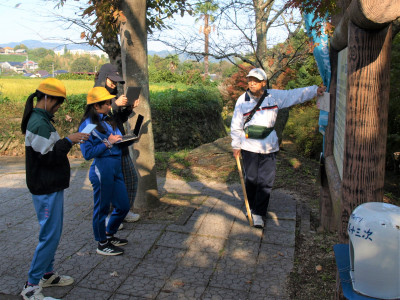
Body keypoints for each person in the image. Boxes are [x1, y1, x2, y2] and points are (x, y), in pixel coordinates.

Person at [20, 78, 90, 300]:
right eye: (57, 102)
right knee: (49, 235)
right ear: (47, 98)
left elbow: (48, 150)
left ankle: (47, 275)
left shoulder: (42, 119)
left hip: (50, 185)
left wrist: (69, 140)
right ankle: (31, 287)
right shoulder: (38, 123)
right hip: (45, 188)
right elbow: (48, 157)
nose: (58, 107)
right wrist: (69, 140)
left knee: (52, 232)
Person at [231, 68, 326, 228]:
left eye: (255, 80)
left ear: (263, 83)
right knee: (252, 179)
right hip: (249, 145)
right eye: (249, 80)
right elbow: (236, 124)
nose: (251, 83)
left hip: (269, 145)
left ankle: (259, 213)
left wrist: (314, 90)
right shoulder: (242, 100)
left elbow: (294, 95)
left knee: (266, 181)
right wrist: (236, 145)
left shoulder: (274, 96)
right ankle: (251, 207)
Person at [79, 86, 131, 256]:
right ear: (95, 106)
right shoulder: (87, 125)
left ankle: (109, 234)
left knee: (123, 206)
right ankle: (102, 243)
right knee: (101, 209)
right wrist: (108, 143)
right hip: (102, 169)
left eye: (110, 102)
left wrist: (127, 139)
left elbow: (115, 140)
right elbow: (87, 154)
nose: (110, 105)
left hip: (116, 167)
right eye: (107, 103)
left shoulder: (107, 120)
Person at [94, 63, 141, 225]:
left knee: (130, 179)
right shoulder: (96, 95)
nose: (114, 84)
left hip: (120, 144)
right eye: (111, 80)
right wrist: (114, 105)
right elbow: (96, 118)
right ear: (103, 78)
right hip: (106, 147)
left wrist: (128, 109)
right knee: (109, 184)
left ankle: (123, 211)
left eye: (116, 81)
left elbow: (118, 120)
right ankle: (109, 217)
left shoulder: (113, 95)